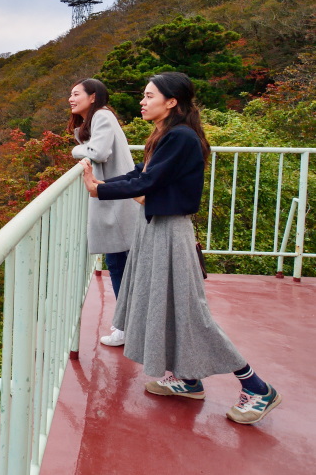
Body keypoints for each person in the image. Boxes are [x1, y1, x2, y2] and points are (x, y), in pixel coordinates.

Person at [80, 72, 281, 425]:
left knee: (191, 312)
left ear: (172, 101)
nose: (142, 101)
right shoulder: (166, 135)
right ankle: (188, 379)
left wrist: (100, 190)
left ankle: (258, 387)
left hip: (170, 231)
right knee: (167, 306)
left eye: (149, 96)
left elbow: (147, 181)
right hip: (156, 228)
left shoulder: (181, 137)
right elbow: (141, 171)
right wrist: (104, 184)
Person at [67, 79, 139, 347]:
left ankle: (125, 326)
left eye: (76, 94)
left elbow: (98, 152)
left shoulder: (103, 116)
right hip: (113, 198)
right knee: (119, 263)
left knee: (119, 264)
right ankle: (128, 323)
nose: (71, 99)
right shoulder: (97, 119)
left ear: (92, 96)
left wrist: (76, 150)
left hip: (116, 201)